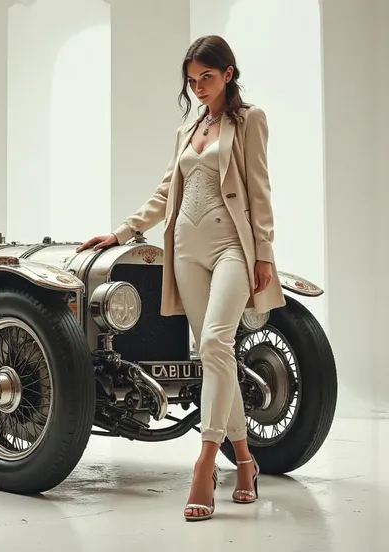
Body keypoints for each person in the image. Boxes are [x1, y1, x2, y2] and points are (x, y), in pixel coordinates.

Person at [76, 35, 286, 521]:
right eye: (191, 81)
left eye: (206, 79)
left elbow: (260, 189)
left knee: (215, 341)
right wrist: (121, 231)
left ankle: (206, 461)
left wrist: (265, 253)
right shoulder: (188, 128)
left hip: (232, 245)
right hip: (185, 252)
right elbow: (167, 189)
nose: (198, 89)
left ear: (228, 73)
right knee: (217, 354)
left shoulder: (249, 121)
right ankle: (247, 461)